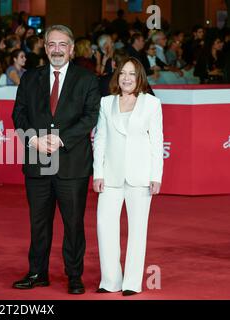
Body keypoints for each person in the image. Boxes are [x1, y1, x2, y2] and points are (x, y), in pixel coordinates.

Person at [12, 25, 100, 294]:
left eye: (63, 44)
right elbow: (19, 114)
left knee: (73, 224)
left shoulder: (86, 79)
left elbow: (91, 115)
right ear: (45, 47)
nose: (57, 49)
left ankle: (74, 275)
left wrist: (61, 139)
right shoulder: (30, 78)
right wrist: (32, 139)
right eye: (52, 44)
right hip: (37, 160)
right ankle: (37, 272)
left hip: (72, 162)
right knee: (38, 222)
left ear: (72, 49)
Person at [93, 57, 163, 296]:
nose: (126, 78)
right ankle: (110, 280)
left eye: (132, 74)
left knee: (137, 230)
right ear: (117, 76)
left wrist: (157, 176)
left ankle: (132, 282)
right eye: (123, 73)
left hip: (140, 176)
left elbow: (157, 142)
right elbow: (100, 140)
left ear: (139, 77)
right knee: (105, 226)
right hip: (110, 176)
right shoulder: (106, 103)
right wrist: (98, 173)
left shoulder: (152, 104)